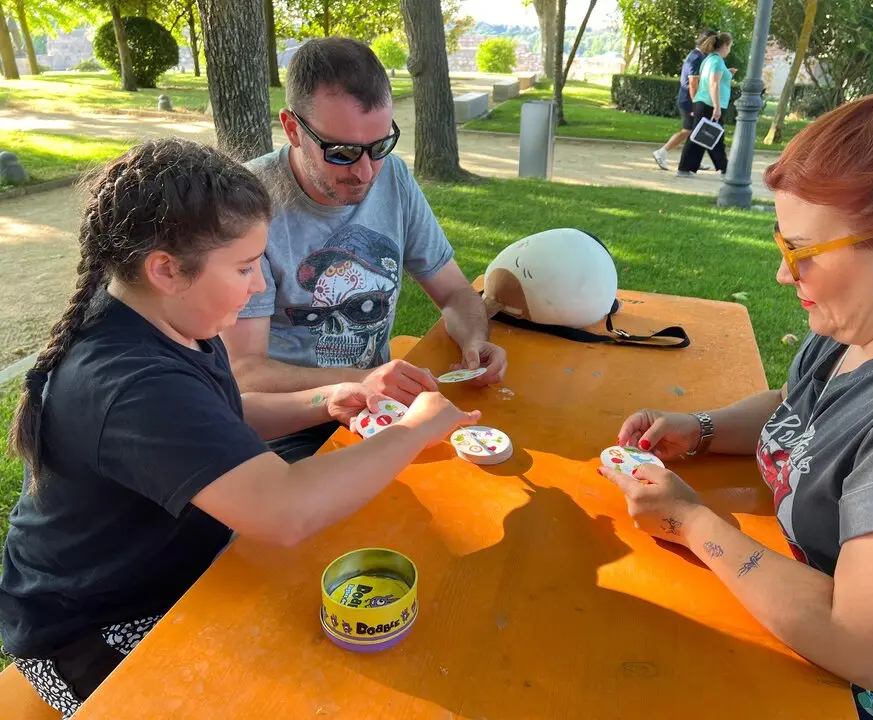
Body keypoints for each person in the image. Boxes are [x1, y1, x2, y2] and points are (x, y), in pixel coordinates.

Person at [0, 139, 479, 718]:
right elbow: (285, 511)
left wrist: (325, 400)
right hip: (89, 630)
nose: (258, 287)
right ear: (166, 269)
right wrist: (416, 430)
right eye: (246, 267)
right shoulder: (131, 382)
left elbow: (214, 417)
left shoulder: (166, 317)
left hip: (167, 574)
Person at [602, 48, 873, 720]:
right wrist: (704, 429)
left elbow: (865, 643)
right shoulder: (865, 317)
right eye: (781, 244)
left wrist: (690, 521)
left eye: (801, 252)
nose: (782, 273)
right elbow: (805, 408)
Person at [222, 37, 507, 463]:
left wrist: (475, 341)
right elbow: (246, 372)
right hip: (288, 425)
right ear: (293, 129)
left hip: (378, 408)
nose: (365, 172)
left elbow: (454, 292)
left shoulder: (393, 177)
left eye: (379, 147)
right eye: (342, 152)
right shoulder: (246, 205)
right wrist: (363, 379)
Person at [651, 29, 716, 172]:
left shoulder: (698, 56)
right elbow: (693, 83)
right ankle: (662, 152)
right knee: (689, 130)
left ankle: (693, 159)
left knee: (696, 130)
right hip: (688, 100)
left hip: (690, 99)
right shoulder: (696, 57)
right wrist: (696, 104)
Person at [676, 32, 735, 178]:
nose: (729, 50)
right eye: (730, 47)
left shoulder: (709, 59)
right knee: (710, 136)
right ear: (725, 45)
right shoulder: (716, 61)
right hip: (710, 103)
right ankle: (724, 169)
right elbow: (713, 83)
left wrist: (727, 73)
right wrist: (717, 106)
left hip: (703, 102)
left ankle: (689, 168)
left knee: (703, 136)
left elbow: (712, 79)